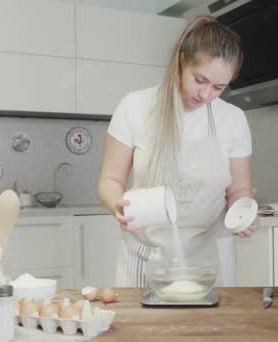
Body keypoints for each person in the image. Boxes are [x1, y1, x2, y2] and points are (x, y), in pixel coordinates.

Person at [98, 15, 256, 288]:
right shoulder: (135, 107)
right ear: (182, 60)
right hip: (147, 256)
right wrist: (118, 207)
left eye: (218, 87)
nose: (205, 94)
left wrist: (243, 214)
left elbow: (239, 190)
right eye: (200, 80)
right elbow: (109, 182)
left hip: (210, 257)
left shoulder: (233, 119)